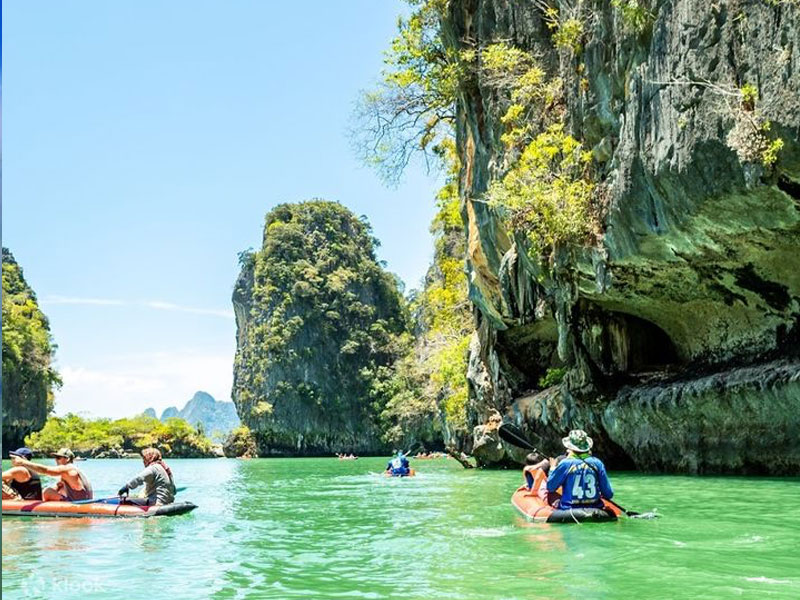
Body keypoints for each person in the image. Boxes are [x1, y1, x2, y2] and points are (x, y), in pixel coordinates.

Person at [546, 429, 613, 510]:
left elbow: (550, 487)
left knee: (551, 495)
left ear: (570, 447)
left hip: (569, 509)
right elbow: (608, 494)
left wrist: (552, 469)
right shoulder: (598, 463)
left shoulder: (565, 463)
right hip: (595, 508)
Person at [10, 447, 93, 501]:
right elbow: (58, 485)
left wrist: (24, 462)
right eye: (55, 458)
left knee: (48, 492)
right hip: (83, 500)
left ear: (67, 459)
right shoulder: (72, 471)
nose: (56, 460)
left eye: (58, 458)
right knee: (51, 489)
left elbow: (46, 470)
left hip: (79, 504)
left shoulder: (68, 468)